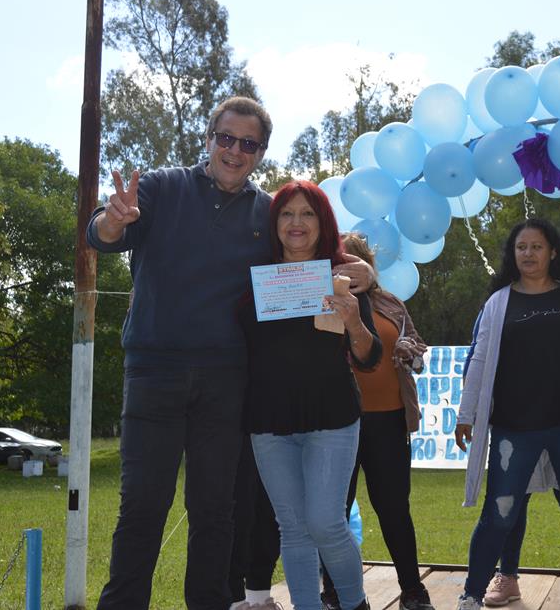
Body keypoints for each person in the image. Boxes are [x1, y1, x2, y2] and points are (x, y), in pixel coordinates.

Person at [87, 97, 372, 610]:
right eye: (226, 138)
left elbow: (320, 255)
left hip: (227, 380)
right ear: (209, 137)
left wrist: (364, 273)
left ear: (260, 153)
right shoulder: (161, 187)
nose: (235, 151)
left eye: (248, 143)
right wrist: (113, 221)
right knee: (143, 509)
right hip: (154, 371)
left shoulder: (269, 212)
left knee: (215, 512)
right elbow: (103, 234)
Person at [454, 218, 560, 610]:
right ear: (513, 254)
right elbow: (480, 361)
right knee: (498, 515)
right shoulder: (498, 303)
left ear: (553, 252)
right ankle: (470, 597)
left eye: (537, 246)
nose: (528, 254)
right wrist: (466, 414)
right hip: (515, 429)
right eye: (521, 247)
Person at [240, 181, 381, 610]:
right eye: (286, 214)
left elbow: (370, 357)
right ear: (274, 223)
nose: (296, 223)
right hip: (269, 421)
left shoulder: (344, 280)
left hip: (332, 417)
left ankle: (355, 604)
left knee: (325, 523)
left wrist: (354, 322)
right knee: (293, 528)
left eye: (307, 214)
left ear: (323, 223)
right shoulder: (255, 279)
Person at [319, 232, 434, 610]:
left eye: (353, 261)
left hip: (388, 420)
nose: (346, 269)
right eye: (338, 261)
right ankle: (334, 592)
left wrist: (409, 350)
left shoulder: (390, 303)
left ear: (367, 266)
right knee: (333, 512)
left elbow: (418, 349)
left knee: (394, 509)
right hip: (336, 421)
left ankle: (413, 591)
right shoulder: (320, 301)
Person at [228, 436, 282, 610]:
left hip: (271, 427)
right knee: (240, 506)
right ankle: (235, 601)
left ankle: (260, 599)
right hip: (232, 429)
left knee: (269, 507)